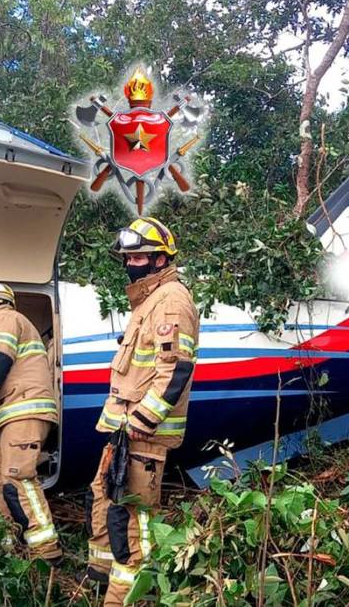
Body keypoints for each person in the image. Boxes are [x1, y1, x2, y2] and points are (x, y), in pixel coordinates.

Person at [83, 218, 199, 605]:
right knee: (103, 501)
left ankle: (131, 597)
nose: (130, 264)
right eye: (128, 258)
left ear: (161, 259)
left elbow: (175, 370)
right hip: (124, 429)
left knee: (133, 523)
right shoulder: (148, 301)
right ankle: (100, 579)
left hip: (142, 433)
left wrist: (141, 422)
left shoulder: (171, 301)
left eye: (137, 257)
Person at [0, 282, 61, 561]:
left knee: (19, 479)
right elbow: (3, 382)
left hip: (24, 412)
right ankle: (2, 546)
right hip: (9, 415)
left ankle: (46, 550)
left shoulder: (5, 319)